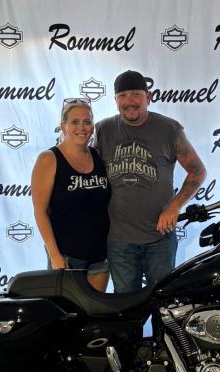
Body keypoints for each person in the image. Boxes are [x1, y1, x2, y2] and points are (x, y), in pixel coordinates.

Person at [95, 70, 207, 293]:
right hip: (118, 241)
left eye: (136, 94)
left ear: (149, 97)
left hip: (160, 239)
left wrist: (174, 206)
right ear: (115, 100)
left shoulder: (169, 129)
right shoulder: (103, 130)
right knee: (126, 306)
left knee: (162, 302)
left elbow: (197, 171)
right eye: (122, 95)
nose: (129, 101)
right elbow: (87, 174)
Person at [31, 99, 111, 292]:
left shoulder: (98, 156)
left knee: (95, 311)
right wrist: (54, 255)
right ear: (63, 126)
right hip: (67, 257)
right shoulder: (49, 159)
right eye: (75, 122)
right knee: (66, 311)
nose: (82, 127)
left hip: (100, 257)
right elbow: (40, 212)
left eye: (87, 122)